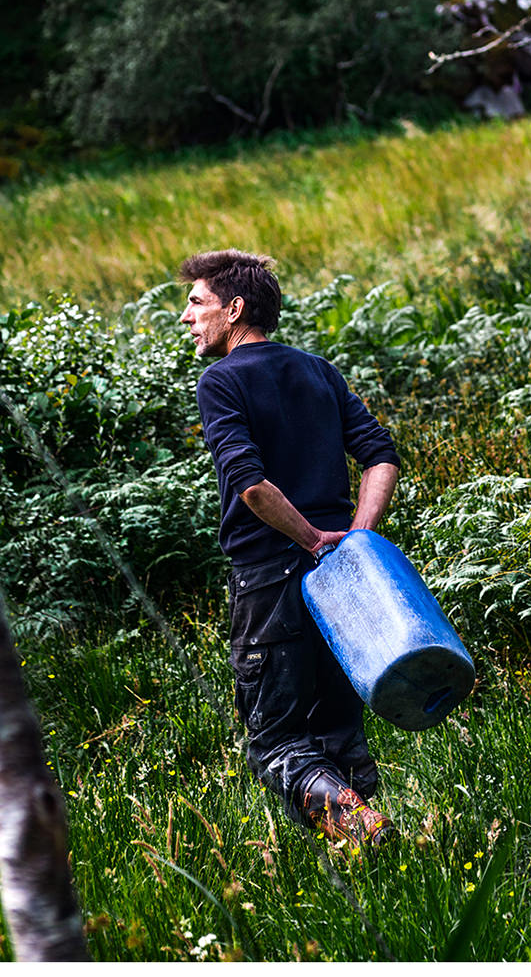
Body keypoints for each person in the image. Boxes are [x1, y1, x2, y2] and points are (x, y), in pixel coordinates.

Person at [179, 248, 401, 849]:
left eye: (197, 302)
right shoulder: (319, 370)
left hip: (270, 579)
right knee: (336, 727)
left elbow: (249, 485)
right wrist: (355, 537)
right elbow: (381, 454)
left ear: (236, 308)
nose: (187, 317)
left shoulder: (220, 380)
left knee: (275, 742)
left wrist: (309, 540)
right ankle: (372, 854)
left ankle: (361, 830)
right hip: (343, 579)